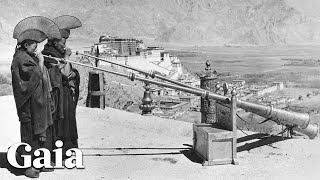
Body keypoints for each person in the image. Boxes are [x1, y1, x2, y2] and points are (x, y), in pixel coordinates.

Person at [11, 16, 61, 178]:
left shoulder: (28, 57)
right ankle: (28, 167)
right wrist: (40, 62)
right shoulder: (20, 59)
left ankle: (40, 162)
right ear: (26, 45)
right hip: (29, 106)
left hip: (38, 104)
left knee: (40, 136)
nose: (37, 49)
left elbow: (43, 74)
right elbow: (33, 77)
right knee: (30, 136)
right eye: (34, 45)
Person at [42, 15, 81, 159]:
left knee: (68, 120)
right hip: (57, 95)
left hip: (65, 94)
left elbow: (68, 71)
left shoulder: (58, 53)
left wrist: (74, 74)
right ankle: (58, 152)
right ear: (54, 41)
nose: (64, 44)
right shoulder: (48, 54)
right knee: (60, 122)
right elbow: (59, 72)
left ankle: (68, 150)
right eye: (62, 41)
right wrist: (66, 57)